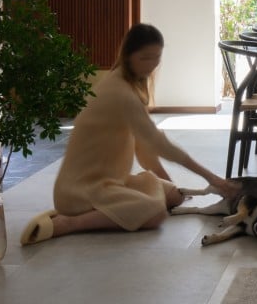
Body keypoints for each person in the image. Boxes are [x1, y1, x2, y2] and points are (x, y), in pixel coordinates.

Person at [20, 23, 230, 245]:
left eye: (156, 57)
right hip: (80, 190)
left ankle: (125, 206)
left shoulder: (131, 84)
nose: (151, 64)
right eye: (145, 58)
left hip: (110, 182)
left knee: (173, 196)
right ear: (128, 56)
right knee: (155, 213)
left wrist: (168, 186)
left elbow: (144, 148)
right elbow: (159, 144)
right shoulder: (120, 92)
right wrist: (212, 178)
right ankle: (68, 223)